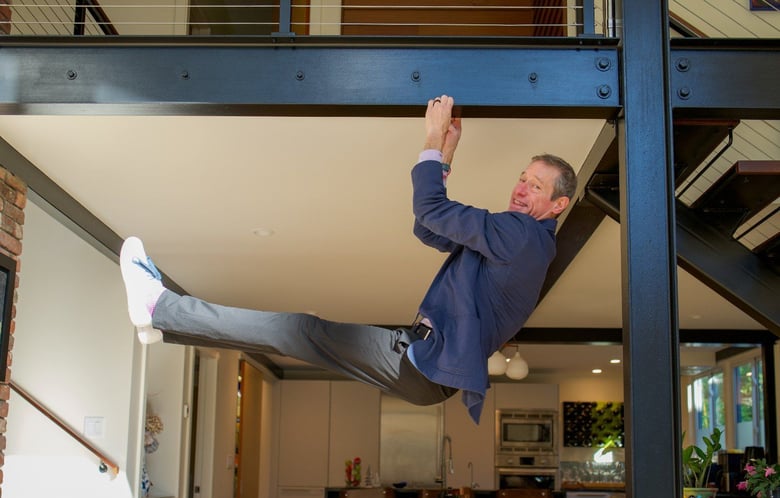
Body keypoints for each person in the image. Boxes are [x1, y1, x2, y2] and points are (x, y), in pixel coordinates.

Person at [120, 94, 576, 424]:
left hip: (422, 362)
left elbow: (429, 209)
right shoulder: (519, 242)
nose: (521, 189)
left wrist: (434, 139)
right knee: (298, 335)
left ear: (558, 205)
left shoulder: (522, 236)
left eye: (535, 186)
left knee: (300, 331)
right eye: (522, 178)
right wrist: (447, 155)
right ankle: (164, 325)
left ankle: (160, 307)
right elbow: (429, 229)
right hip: (426, 367)